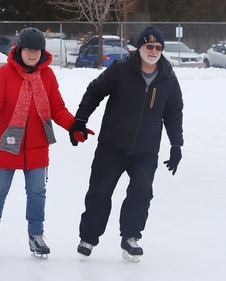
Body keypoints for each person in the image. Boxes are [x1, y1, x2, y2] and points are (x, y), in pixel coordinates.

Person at [68, 27, 184, 262]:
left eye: (158, 48)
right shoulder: (121, 70)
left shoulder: (168, 79)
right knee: (100, 192)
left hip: (146, 150)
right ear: (140, 47)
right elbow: (95, 91)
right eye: (149, 46)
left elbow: (174, 113)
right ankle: (88, 238)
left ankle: (131, 238)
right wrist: (80, 120)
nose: (153, 51)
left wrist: (176, 145)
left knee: (141, 193)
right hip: (112, 146)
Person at [0, 27, 93, 257]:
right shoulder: (4, 74)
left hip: (37, 145)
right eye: (29, 49)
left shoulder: (47, 76)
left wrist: (73, 126)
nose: (33, 54)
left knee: (38, 192)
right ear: (19, 50)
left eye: (38, 50)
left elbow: (56, 108)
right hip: (5, 143)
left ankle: (36, 236)